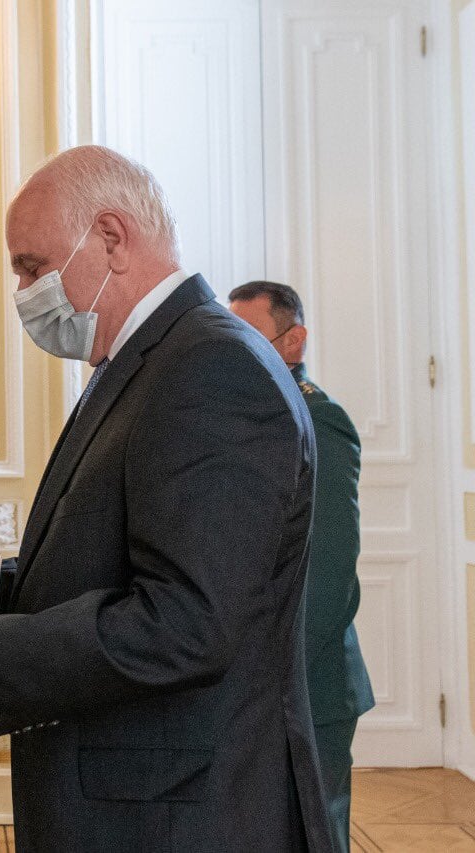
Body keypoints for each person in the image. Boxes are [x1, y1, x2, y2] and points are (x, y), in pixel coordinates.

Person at [0, 146, 334, 851]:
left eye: (31, 265)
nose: (22, 289)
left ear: (110, 238)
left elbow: (184, 623)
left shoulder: (210, 368)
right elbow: (94, 568)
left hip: (181, 819)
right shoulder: (149, 362)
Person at [230, 280, 374, 853]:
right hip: (265, 681)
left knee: (319, 833)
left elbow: (328, 569)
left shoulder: (321, 419)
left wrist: (282, 679)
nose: (238, 348)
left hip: (311, 681)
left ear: (295, 341)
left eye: (251, 335)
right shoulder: (256, 412)